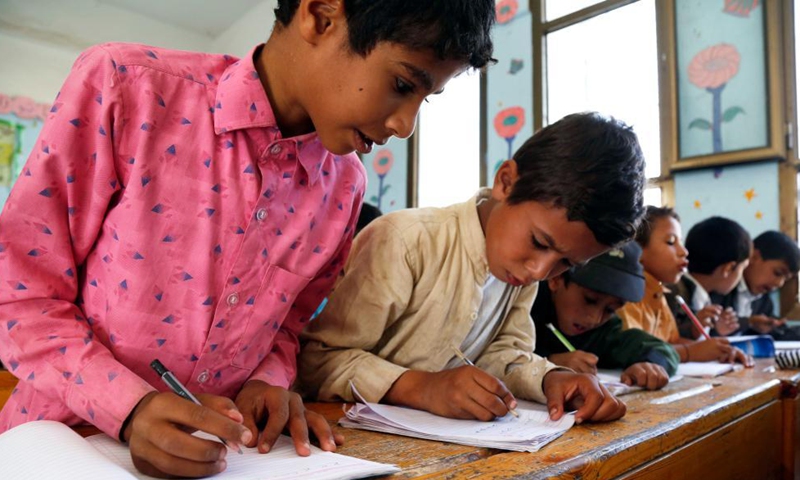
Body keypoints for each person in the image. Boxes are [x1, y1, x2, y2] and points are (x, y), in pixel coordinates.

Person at [0, 0, 496, 477]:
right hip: (57, 441)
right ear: (321, 15)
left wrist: (267, 381)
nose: (405, 125)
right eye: (402, 83)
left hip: (224, 457)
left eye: (423, 99)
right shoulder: (127, 88)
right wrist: (130, 409)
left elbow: (284, 327)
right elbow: (21, 294)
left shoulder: (344, 188)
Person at [298, 112, 647, 425]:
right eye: (540, 242)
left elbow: (504, 354)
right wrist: (422, 388)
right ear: (506, 182)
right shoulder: (405, 241)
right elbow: (319, 362)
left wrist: (550, 378)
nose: (539, 271)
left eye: (567, 263)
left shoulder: (520, 272)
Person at [617, 207, 753, 367]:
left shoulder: (658, 294)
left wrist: (718, 349)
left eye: (680, 242)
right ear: (635, 249)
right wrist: (691, 352)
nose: (684, 252)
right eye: (671, 242)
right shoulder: (625, 296)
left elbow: (672, 340)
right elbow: (633, 350)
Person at [533, 241, 678, 391]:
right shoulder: (524, 311)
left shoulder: (604, 330)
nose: (594, 319)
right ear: (556, 279)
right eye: (589, 300)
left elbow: (661, 349)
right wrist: (548, 362)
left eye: (610, 309)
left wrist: (650, 365)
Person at [666, 217, 751, 338]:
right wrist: (691, 330)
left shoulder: (707, 297)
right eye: (742, 269)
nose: (740, 277)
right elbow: (663, 338)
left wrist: (716, 330)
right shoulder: (673, 293)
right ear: (728, 269)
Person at [711, 230, 800, 340]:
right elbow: (707, 331)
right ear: (754, 256)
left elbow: (776, 334)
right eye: (777, 273)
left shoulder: (764, 302)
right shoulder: (721, 288)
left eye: (786, 279)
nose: (779, 283)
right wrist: (748, 322)